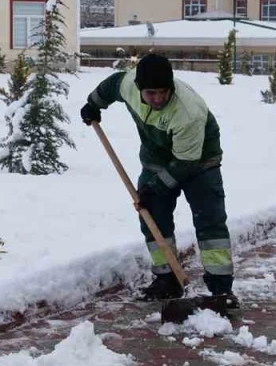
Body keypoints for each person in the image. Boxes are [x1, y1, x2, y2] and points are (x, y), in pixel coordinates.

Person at [80, 53, 235, 304]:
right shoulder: (129, 85)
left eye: (164, 92)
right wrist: (93, 104)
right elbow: (112, 85)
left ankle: (220, 289)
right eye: (151, 93)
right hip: (156, 157)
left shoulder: (188, 112)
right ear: (139, 88)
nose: (159, 98)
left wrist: (155, 188)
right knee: (152, 215)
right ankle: (167, 279)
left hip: (199, 161)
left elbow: (186, 162)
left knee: (210, 220)